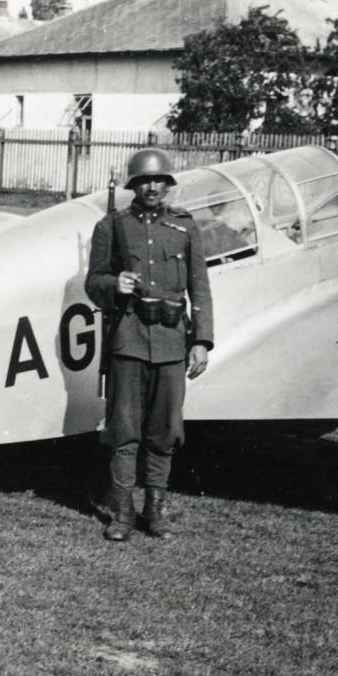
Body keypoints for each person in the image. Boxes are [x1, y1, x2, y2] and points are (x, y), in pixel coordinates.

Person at [86, 147, 214, 541]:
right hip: (129, 339)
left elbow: (200, 289)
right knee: (124, 429)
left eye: (159, 180)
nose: (152, 187)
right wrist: (113, 285)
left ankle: (155, 511)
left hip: (174, 341)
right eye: (144, 181)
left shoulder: (185, 226)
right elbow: (93, 283)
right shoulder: (112, 226)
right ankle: (122, 513)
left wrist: (203, 341)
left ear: (168, 185)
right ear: (134, 186)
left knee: (166, 430)